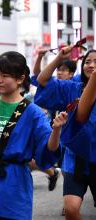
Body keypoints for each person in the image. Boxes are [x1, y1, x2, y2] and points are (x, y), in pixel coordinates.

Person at [0, 51, 67, 219]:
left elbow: (46, 151)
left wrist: (56, 130)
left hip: (14, 186)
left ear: (20, 79)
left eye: (5, 75)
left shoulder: (33, 112)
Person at [35, 47, 96, 220]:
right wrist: (58, 59)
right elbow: (43, 80)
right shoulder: (73, 88)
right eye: (87, 61)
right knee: (70, 209)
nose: (91, 65)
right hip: (75, 158)